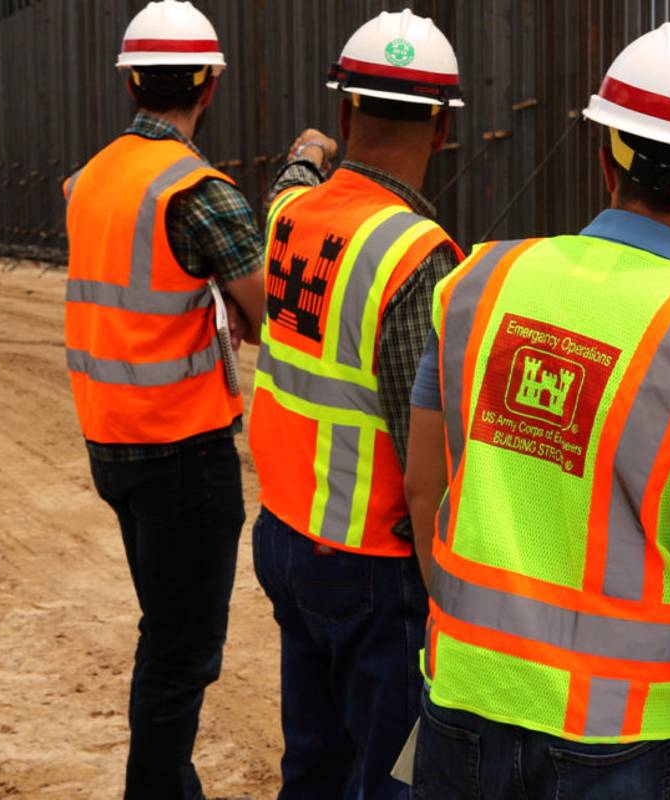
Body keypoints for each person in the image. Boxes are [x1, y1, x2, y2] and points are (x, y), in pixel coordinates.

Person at [404, 21, 670, 800]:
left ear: (603, 153)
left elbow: (422, 487)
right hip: (620, 743)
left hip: (461, 705)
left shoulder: (478, 282)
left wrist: (474, 645)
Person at [63, 2, 297, 797]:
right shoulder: (200, 192)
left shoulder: (89, 177)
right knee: (180, 654)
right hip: (181, 454)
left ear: (131, 79)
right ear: (211, 82)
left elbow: (144, 287)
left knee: (163, 634)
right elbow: (274, 320)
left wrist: (208, 298)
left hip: (111, 441)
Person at [246, 10, 464, 799]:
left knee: (312, 763)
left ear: (346, 111)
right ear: (441, 129)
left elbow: (291, 179)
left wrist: (309, 150)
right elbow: (426, 465)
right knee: (391, 780)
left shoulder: (286, 217)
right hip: (373, 571)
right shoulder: (418, 256)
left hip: (284, 537)